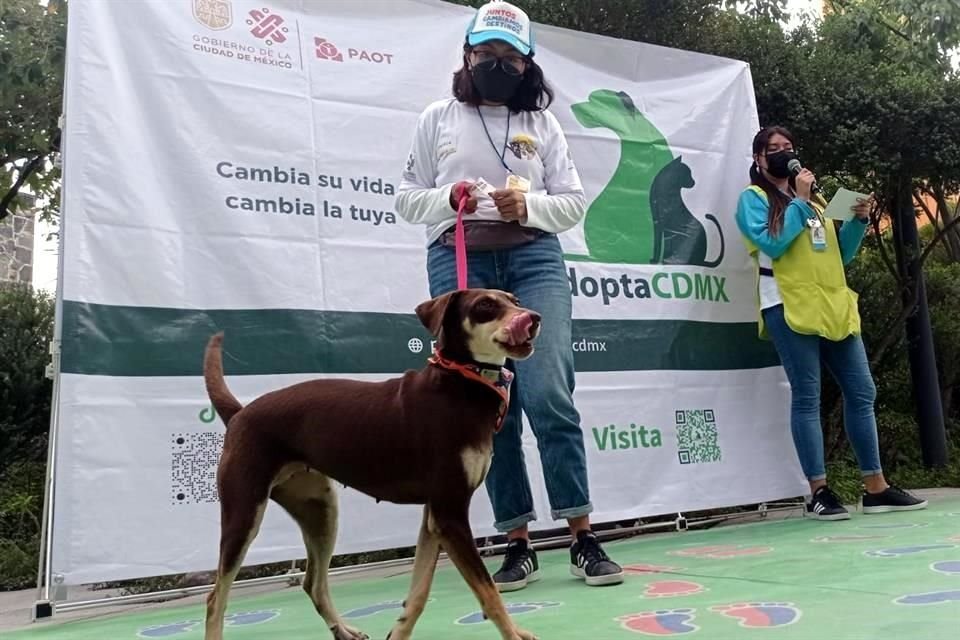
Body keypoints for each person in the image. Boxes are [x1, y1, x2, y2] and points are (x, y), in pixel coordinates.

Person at [395, 1, 623, 590]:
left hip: (533, 257)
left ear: (527, 65)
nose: (497, 65)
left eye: (510, 57)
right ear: (467, 55)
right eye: (486, 53)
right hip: (460, 259)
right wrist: (448, 197)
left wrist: (531, 205)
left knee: (548, 392)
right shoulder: (438, 118)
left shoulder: (542, 125)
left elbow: (571, 203)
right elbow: (406, 197)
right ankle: (516, 542)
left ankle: (582, 536)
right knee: (487, 407)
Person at [735, 125, 928, 521]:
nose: (784, 153)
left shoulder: (819, 201)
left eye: (789, 146)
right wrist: (799, 201)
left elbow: (840, 254)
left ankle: (876, 488)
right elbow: (772, 243)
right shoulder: (754, 198)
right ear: (758, 158)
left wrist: (857, 221)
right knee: (808, 395)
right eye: (774, 148)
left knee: (862, 391)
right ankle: (819, 492)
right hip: (788, 305)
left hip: (833, 305)